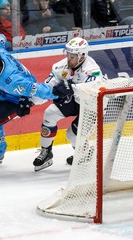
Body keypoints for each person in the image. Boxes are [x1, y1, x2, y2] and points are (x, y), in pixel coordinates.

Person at [0, 36, 57, 177]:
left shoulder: (13, 81)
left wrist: (59, 94)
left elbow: (40, 89)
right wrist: (1, 40)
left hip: (14, 98)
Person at [32, 37, 103, 171]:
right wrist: (32, 100)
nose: (68, 59)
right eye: (68, 55)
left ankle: (84, 154)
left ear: (82, 56)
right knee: (49, 114)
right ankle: (46, 152)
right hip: (75, 101)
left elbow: (89, 95)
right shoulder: (60, 66)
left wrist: (71, 88)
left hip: (93, 106)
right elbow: (47, 88)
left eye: (72, 57)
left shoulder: (92, 71)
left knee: (72, 134)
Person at [91, 0, 133, 71]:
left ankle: (129, 58)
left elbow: (116, 15)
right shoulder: (97, 2)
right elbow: (100, 18)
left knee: (130, 20)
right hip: (102, 29)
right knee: (106, 46)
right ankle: (116, 65)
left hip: (111, 27)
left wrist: (117, 24)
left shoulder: (109, 2)